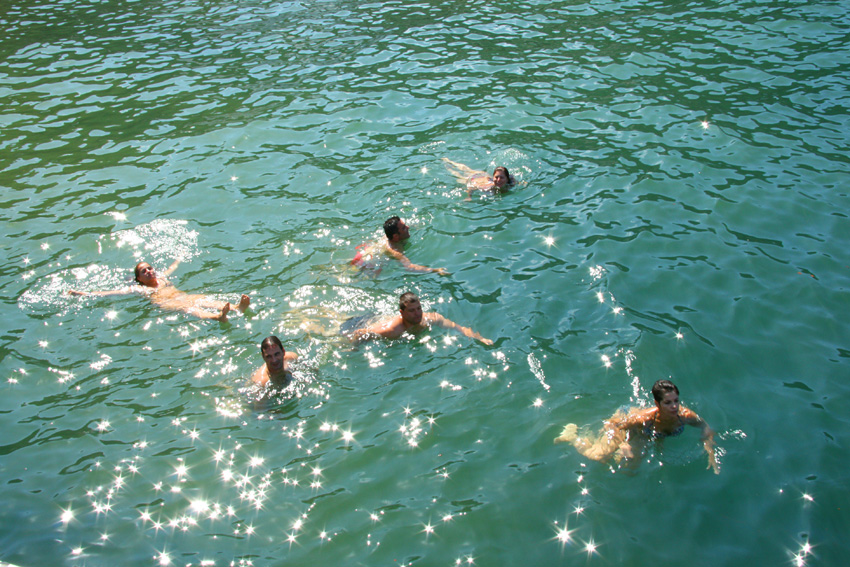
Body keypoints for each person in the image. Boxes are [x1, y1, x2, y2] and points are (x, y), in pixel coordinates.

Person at [554, 379, 719, 474]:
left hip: (645, 434)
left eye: (676, 401)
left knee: (630, 470)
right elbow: (614, 424)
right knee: (599, 456)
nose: (674, 406)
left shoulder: (686, 416)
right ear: (658, 403)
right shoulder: (644, 417)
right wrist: (623, 443)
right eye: (668, 403)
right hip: (628, 422)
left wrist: (709, 450)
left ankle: (593, 441)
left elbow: (706, 428)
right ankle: (573, 436)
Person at [68, 260, 249, 321]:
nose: (148, 271)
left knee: (203, 299)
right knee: (189, 308)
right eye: (143, 271)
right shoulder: (139, 289)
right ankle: (217, 317)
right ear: (139, 279)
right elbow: (111, 293)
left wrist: (179, 259)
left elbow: (171, 268)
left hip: (181, 296)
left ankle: (237, 307)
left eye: (149, 268)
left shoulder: (162, 278)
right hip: (167, 303)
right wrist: (84, 294)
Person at [348, 292, 493, 345]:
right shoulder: (391, 330)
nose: (417, 314)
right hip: (359, 323)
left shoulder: (431, 318)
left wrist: (480, 338)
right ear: (402, 313)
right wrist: (352, 349)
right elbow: (358, 333)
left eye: (419, 308)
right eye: (411, 311)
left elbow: (457, 327)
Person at [350, 216, 448, 275]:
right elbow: (410, 267)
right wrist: (436, 270)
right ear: (396, 236)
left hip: (363, 255)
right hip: (366, 265)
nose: (408, 227)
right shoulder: (395, 250)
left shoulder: (388, 235)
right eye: (404, 228)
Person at [442, 158, 514, 199]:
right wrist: (469, 197)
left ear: (507, 178)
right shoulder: (488, 187)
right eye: (496, 177)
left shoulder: (511, 182)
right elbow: (472, 188)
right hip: (473, 179)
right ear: (493, 177)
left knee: (468, 170)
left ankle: (448, 162)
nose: (498, 180)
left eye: (501, 177)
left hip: (484, 176)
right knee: (458, 174)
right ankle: (447, 163)